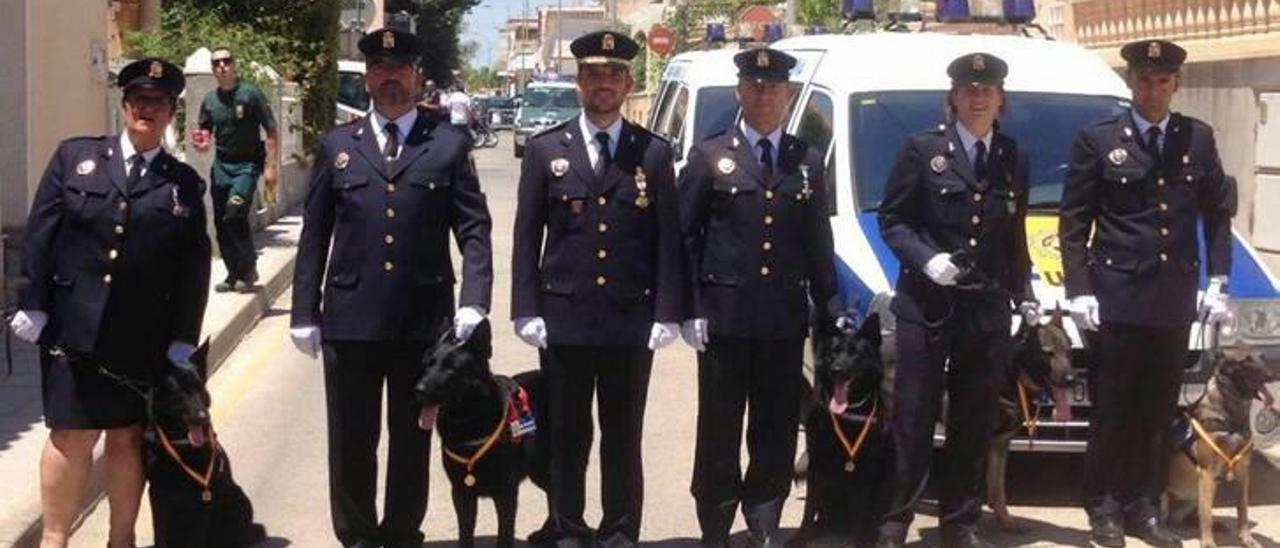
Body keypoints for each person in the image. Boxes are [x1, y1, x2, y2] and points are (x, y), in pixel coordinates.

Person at [289, 27, 493, 548]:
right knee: (352, 440)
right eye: (379, 69)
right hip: (350, 319)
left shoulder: (448, 144)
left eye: (399, 69)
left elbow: (473, 230)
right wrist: (303, 312)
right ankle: (356, 536)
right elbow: (315, 235)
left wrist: (474, 300)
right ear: (369, 80)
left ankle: (402, 534)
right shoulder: (338, 146)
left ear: (416, 75)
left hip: (421, 323)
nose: (389, 78)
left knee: (411, 438)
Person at [8, 57, 211, 548]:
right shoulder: (75, 158)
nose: (148, 110)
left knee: (123, 437)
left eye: (158, 103)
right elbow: (42, 232)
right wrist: (33, 300)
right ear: (124, 106)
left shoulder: (183, 182)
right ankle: (54, 539)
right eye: (139, 100)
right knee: (70, 436)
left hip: (140, 335)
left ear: (170, 114)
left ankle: (122, 539)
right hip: (72, 329)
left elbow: (192, 267)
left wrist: (184, 337)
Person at [510, 30, 683, 548]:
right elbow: (526, 235)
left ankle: (620, 529)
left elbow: (668, 240)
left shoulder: (652, 154)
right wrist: (525, 307)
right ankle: (567, 525)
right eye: (592, 75)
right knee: (567, 432)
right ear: (578, 82)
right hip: (563, 317)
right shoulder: (545, 151)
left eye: (613, 75)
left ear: (628, 84)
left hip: (630, 320)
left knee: (622, 435)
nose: (603, 84)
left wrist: (668, 311)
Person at [1060, 39, 1232, 548]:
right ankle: (1104, 510)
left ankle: (1143, 505)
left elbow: (1216, 214)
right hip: (1117, 295)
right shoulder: (1098, 139)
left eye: (1163, 81)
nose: (1153, 90)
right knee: (1113, 409)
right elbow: (1075, 220)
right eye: (1144, 81)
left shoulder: (1196, 139)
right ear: (1130, 83)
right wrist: (1079, 289)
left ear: (1176, 85)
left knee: (1157, 411)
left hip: (1173, 298)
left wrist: (1218, 279)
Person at [677, 47, 841, 548]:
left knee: (773, 429)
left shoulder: (807, 162)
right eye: (755, 85)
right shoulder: (709, 157)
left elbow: (819, 245)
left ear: (789, 96)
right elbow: (686, 238)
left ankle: (764, 521)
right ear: (739, 92)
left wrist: (829, 309)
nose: (764, 95)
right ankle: (716, 523)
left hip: (782, 321)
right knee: (719, 429)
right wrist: (689, 309)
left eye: (773, 88)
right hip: (723, 321)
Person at [875, 53, 1037, 548]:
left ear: (1001, 99)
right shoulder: (922, 150)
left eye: (987, 89)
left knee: (973, 418)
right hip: (927, 305)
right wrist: (927, 260)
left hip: (985, 307)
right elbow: (894, 220)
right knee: (914, 416)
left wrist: (1024, 293)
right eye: (969, 89)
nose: (979, 96)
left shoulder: (1013, 156)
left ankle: (961, 522)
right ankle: (896, 519)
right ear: (953, 98)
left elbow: (1015, 235)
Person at [193, 47, 279, 293]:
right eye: (216, 63)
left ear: (234, 65)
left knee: (234, 212)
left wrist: (271, 168)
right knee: (221, 221)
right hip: (221, 165)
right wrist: (202, 141)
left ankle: (249, 266)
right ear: (213, 70)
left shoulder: (250, 94)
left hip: (247, 165)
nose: (222, 66)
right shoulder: (210, 100)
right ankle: (233, 274)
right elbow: (205, 130)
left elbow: (271, 130)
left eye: (226, 61)